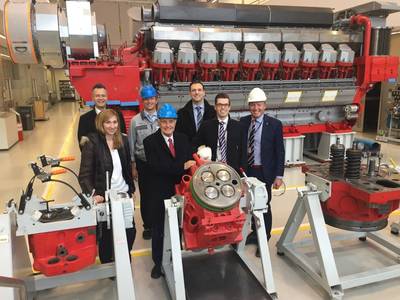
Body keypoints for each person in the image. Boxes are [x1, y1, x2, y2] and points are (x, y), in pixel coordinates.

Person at [144, 103, 195, 279]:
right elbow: (157, 167)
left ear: (176, 122)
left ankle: (175, 258)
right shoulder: (150, 142)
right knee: (159, 229)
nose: (168, 125)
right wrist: (181, 166)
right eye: (164, 122)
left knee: (179, 226)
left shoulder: (183, 139)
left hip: (181, 192)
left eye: (171, 121)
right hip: (160, 193)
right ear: (158, 122)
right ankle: (158, 263)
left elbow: (190, 162)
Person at [79, 109, 136, 264]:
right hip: (104, 197)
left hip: (123, 194)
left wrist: (131, 190)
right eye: (108, 122)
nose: (112, 126)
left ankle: (124, 258)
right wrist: (93, 194)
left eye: (115, 122)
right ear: (101, 124)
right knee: (106, 236)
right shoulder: (92, 143)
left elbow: (126, 169)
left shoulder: (122, 140)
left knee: (130, 231)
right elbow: (84, 174)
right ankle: (108, 264)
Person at [240, 88, 285, 257]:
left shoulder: (274, 125)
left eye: (258, 105)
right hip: (248, 171)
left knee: (264, 206)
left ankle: (264, 238)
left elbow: (279, 151)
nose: (255, 108)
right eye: (252, 105)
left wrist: (279, 175)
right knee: (249, 205)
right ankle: (254, 232)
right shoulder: (243, 123)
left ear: (265, 106)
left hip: (265, 173)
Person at [128, 85, 159, 240]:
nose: (149, 102)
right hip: (143, 164)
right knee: (146, 196)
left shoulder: (163, 117)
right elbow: (132, 143)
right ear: (142, 100)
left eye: (152, 98)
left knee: (159, 193)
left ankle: (160, 222)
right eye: (146, 99)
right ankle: (148, 226)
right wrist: (133, 165)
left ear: (156, 99)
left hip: (161, 163)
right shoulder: (135, 121)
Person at [192, 93, 246, 173]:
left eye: (226, 105)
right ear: (215, 107)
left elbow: (243, 151)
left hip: (232, 170)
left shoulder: (239, 127)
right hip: (211, 170)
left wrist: (241, 171)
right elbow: (195, 145)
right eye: (220, 104)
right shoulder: (206, 126)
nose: (223, 107)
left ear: (229, 107)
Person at [77, 83, 126, 149]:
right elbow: (82, 146)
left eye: (103, 95)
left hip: (115, 154)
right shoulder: (84, 119)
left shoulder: (117, 115)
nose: (100, 98)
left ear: (107, 97)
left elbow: (123, 138)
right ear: (92, 98)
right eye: (97, 96)